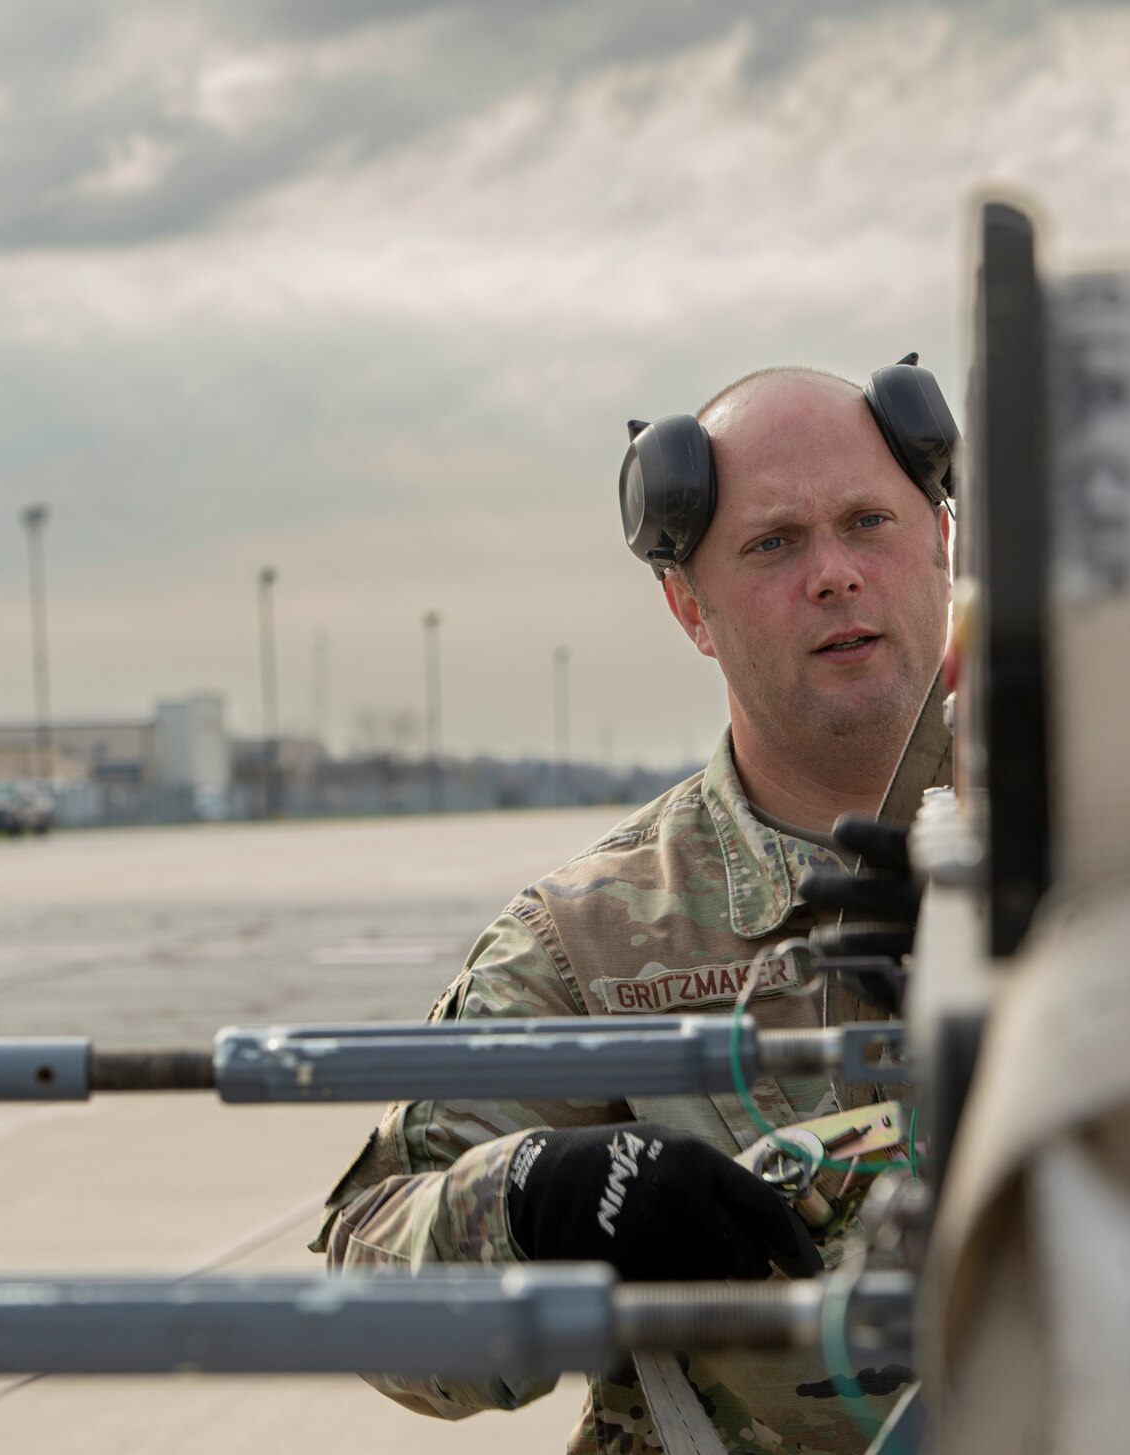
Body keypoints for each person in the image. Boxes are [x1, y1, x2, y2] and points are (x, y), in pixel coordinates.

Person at [315, 363, 958, 1454]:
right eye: (772, 543)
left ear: (941, 542)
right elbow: (372, 1306)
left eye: (868, 522)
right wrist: (529, 1205)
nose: (835, 575)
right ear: (687, 609)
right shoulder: (590, 940)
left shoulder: (1107, 853)